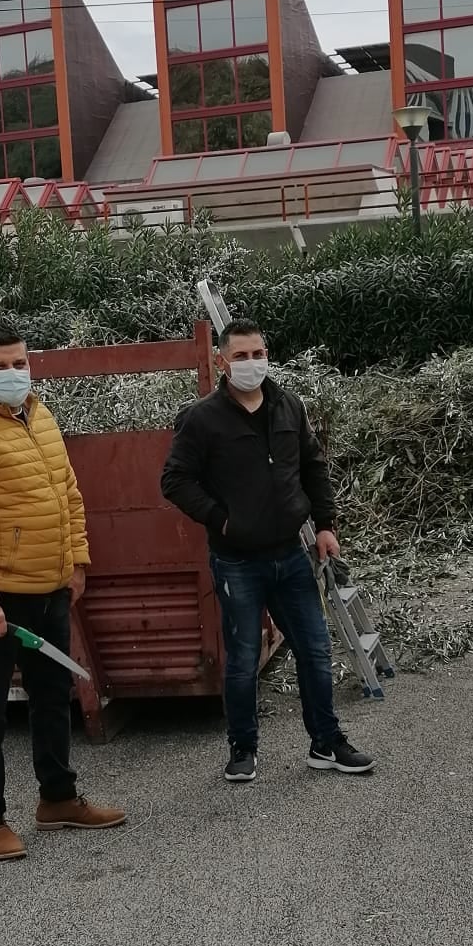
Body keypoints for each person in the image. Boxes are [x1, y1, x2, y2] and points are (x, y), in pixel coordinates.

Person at [0, 319, 125, 862]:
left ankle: (57, 799)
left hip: (50, 588)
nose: (13, 374)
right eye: (0, 366)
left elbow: (69, 494)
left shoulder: (39, 416)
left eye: (20, 363)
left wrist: (76, 562)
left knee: (51, 701)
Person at [161, 318, 372, 785]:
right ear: (221, 361)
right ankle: (243, 748)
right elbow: (174, 481)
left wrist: (325, 525)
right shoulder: (202, 418)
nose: (251, 363)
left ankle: (326, 742)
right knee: (241, 658)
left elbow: (313, 466)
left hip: (291, 554)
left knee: (315, 651)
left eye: (258, 354)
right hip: (237, 560)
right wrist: (222, 519)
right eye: (240, 356)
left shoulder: (287, 406)